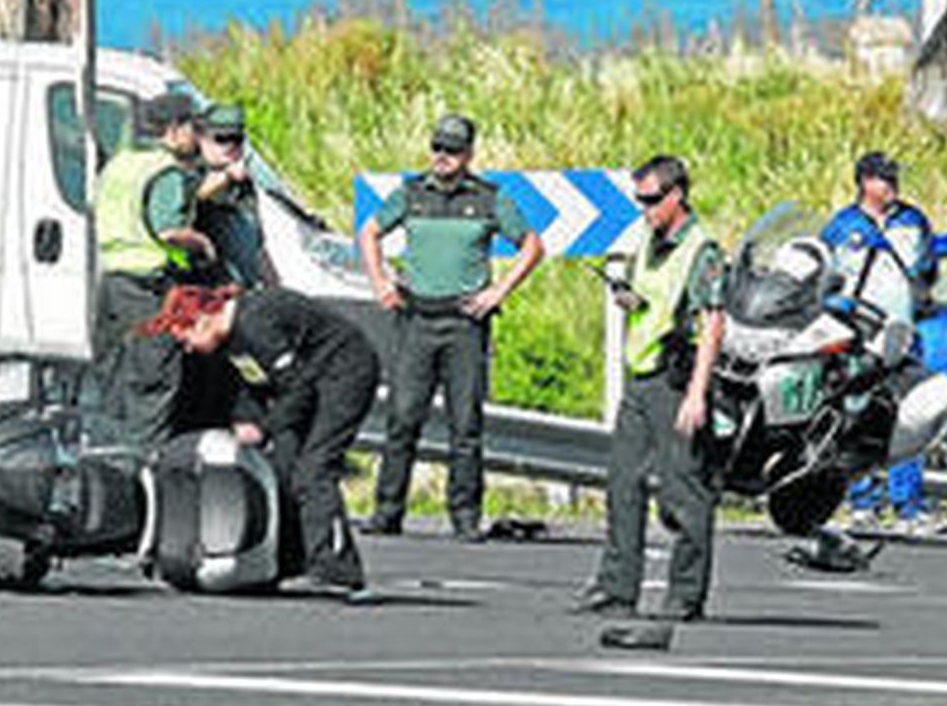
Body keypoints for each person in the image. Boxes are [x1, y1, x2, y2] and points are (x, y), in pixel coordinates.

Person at [356, 114, 545, 541]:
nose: (442, 157)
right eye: (438, 147)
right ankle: (387, 511)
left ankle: (464, 516)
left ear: (469, 154)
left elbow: (532, 245)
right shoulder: (411, 194)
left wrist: (498, 292)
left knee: (465, 425)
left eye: (452, 150)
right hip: (417, 319)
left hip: (465, 322)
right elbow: (370, 232)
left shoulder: (489, 198)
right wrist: (380, 282)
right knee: (403, 419)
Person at [142, 284, 378, 598]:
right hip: (307, 381)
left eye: (186, 339)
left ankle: (338, 569)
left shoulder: (256, 325)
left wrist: (264, 428)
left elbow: (298, 386)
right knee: (282, 466)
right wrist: (247, 422)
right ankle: (285, 562)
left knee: (314, 469)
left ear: (202, 320)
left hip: (345, 372)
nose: (188, 349)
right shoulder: (232, 340)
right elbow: (255, 383)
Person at [573, 155, 726, 621]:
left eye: (652, 200)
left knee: (684, 492)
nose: (645, 209)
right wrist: (629, 299)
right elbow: (653, 299)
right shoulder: (648, 238)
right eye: (639, 200)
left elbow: (712, 323)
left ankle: (685, 596)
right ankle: (616, 589)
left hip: (676, 379)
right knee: (623, 484)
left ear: (676, 195)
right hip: (640, 378)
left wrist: (698, 394)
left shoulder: (701, 249)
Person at [87, 93, 215, 454]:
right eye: (194, 127)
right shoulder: (165, 170)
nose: (197, 136)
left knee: (113, 386)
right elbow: (168, 230)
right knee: (153, 383)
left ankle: (102, 467)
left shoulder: (119, 164)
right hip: (148, 289)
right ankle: (144, 475)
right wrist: (203, 244)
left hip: (112, 285)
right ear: (174, 130)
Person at [820, 151, 939, 536]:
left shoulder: (913, 221)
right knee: (857, 415)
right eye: (884, 179)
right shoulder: (842, 226)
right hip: (858, 334)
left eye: (893, 178)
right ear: (865, 182)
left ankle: (908, 505)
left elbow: (928, 270)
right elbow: (826, 276)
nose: (892, 186)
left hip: (901, 331)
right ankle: (863, 501)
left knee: (908, 417)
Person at [193, 102, 267, 288]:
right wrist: (225, 177)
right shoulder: (188, 169)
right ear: (201, 138)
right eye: (221, 138)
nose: (230, 146)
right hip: (208, 286)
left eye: (236, 139)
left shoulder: (246, 179)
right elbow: (193, 197)